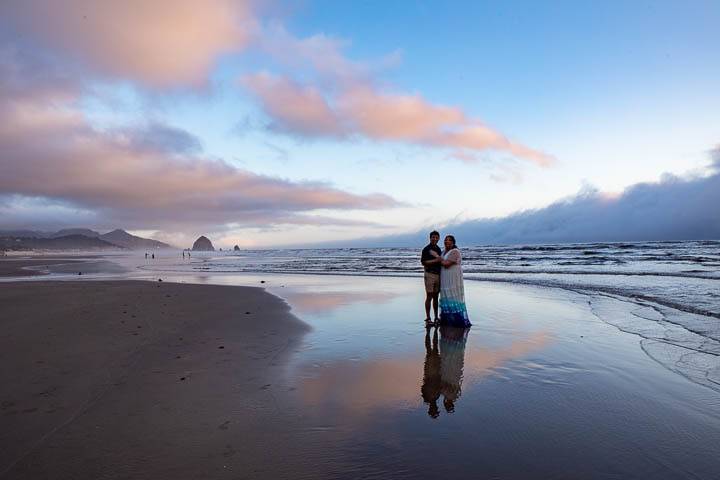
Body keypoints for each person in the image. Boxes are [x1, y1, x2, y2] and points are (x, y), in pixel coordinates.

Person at [437, 235, 471, 327]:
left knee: (453, 295)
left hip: (453, 277)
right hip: (445, 276)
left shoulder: (455, 251)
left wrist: (437, 258)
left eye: (449, 240)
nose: (447, 241)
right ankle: (446, 319)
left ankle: (456, 320)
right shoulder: (443, 252)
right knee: (446, 295)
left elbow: (446, 264)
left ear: (453, 242)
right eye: (445, 240)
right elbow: (442, 263)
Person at [420, 230, 442, 326]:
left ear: (438, 239)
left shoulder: (438, 249)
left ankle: (436, 317)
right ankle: (428, 318)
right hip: (429, 274)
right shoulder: (426, 249)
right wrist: (436, 260)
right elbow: (423, 262)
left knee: (436, 297)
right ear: (430, 238)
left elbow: (440, 262)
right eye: (433, 237)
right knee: (429, 296)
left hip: (438, 275)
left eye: (436, 237)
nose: (435, 239)